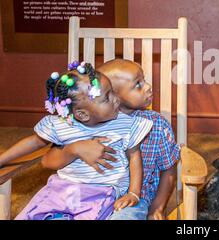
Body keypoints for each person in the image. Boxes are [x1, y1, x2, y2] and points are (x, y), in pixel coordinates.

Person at [0, 62, 153, 220]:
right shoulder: (62, 125)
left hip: (106, 192)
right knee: (37, 213)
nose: (116, 99)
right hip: (64, 191)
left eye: (113, 92)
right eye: (107, 97)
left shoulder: (125, 123)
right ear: (82, 114)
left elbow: (135, 156)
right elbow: (34, 142)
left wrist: (133, 192)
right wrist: (2, 159)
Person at [42, 59, 180, 220]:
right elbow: (47, 161)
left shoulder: (156, 124)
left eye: (144, 80)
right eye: (138, 84)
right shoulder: (81, 124)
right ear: (112, 93)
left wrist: (157, 207)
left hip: (131, 201)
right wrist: (74, 148)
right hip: (85, 199)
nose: (148, 87)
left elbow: (168, 168)